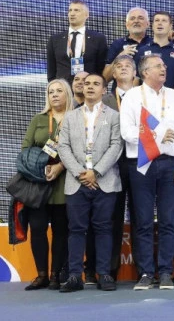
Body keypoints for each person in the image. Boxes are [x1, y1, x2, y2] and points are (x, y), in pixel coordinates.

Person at [121, 54, 174, 291]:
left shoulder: (173, 95)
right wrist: (158, 134)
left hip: (169, 163)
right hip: (141, 164)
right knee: (142, 222)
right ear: (144, 72)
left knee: (168, 221)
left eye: (163, 65)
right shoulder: (132, 96)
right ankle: (145, 273)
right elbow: (127, 132)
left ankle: (165, 272)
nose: (164, 69)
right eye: (158, 66)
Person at [56, 73, 123, 293]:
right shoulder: (70, 117)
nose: (90, 87)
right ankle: (75, 276)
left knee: (103, 228)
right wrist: (80, 173)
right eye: (86, 84)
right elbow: (63, 147)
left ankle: (104, 274)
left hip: (105, 181)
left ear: (104, 90)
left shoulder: (114, 116)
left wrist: (96, 172)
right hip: (77, 182)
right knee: (76, 229)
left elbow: (116, 146)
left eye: (95, 84)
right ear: (82, 89)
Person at [82, 54, 136, 283]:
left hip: (139, 163)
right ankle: (107, 270)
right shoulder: (103, 100)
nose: (123, 68)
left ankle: (144, 270)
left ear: (136, 73)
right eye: (118, 66)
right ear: (112, 74)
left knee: (140, 218)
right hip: (109, 165)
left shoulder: (144, 96)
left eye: (128, 66)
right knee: (108, 219)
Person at [21, 79, 74, 291]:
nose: (54, 95)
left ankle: (55, 275)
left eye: (59, 91)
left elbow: (82, 150)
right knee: (37, 228)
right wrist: (39, 167)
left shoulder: (76, 118)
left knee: (61, 230)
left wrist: (60, 166)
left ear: (67, 94)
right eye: (51, 91)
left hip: (65, 182)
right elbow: (25, 149)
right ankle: (41, 274)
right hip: (38, 184)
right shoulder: (39, 119)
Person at [46, 0, 108, 83]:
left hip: (87, 86)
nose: (72, 13)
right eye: (70, 10)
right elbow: (51, 70)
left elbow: (100, 68)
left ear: (86, 15)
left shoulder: (98, 39)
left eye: (76, 10)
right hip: (64, 87)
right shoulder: (55, 40)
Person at [104, 7, 151, 82]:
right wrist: (120, 57)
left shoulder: (154, 44)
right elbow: (105, 78)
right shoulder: (117, 44)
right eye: (132, 18)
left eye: (140, 18)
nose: (136, 21)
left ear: (148, 24)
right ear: (127, 25)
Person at [136, 11, 174, 88]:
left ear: (170, 26)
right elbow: (136, 78)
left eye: (164, 20)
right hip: (146, 95)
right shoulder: (141, 51)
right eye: (157, 20)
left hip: (171, 94)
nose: (160, 23)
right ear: (152, 25)